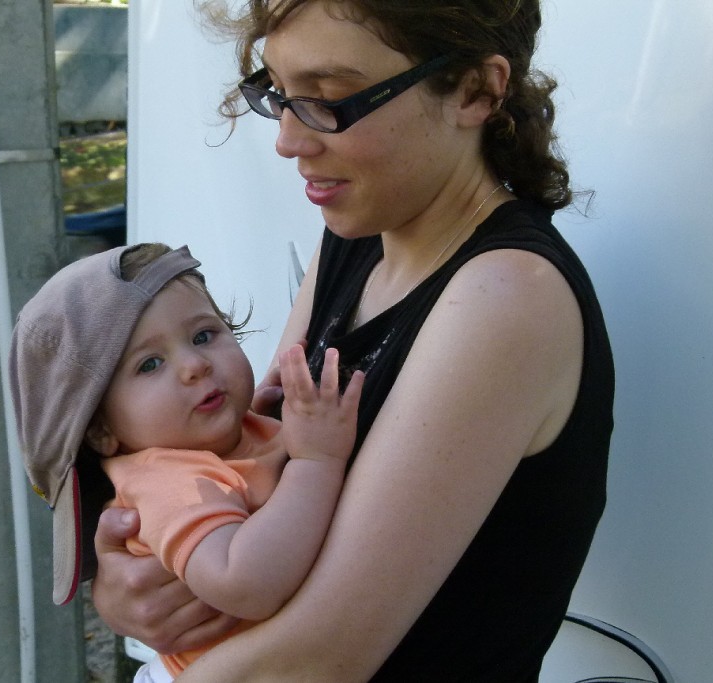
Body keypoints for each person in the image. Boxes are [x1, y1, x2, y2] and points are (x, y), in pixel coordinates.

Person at [91, 1, 615, 681]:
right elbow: (243, 456)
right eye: (279, 93)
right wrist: (129, 580)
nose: (287, 140)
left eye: (330, 99)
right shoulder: (361, 238)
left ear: (475, 91)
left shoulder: (506, 294)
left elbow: (322, 654)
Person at [7, 243, 364, 680]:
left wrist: (273, 423)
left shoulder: (238, 434)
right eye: (150, 364)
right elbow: (245, 583)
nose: (194, 365)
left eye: (203, 335)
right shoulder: (166, 483)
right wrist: (316, 461)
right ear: (100, 430)